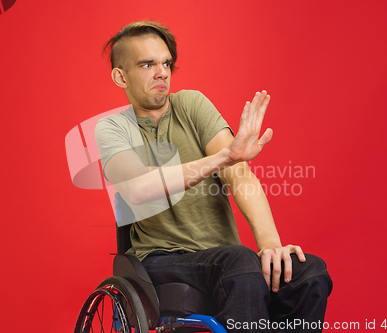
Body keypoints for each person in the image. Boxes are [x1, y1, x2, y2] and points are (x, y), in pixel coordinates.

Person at [95, 21, 332, 332]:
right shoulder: (111, 129)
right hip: (160, 259)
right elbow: (139, 188)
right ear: (120, 76)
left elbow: (239, 174)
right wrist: (224, 156)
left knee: (309, 272)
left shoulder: (192, 105)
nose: (162, 72)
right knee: (238, 263)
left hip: (226, 257)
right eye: (147, 64)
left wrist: (271, 245)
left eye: (166, 63)